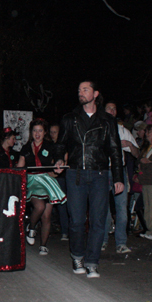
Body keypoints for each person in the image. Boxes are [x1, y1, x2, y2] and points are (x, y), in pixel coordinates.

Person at [54, 81, 124, 279]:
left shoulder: (107, 120)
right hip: (75, 173)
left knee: (98, 220)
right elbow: (60, 145)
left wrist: (118, 177)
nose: (81, 93)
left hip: (100, 174)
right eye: (79, 90)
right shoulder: (70, 118)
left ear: (95, 93)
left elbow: (115, 151)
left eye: (85, 90)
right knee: (76, 220)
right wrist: (59, 159)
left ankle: (92, 261)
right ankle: (77, 256)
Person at [18, 118, 65, 256]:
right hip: (32, 181)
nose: (37, 134)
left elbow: (56, 164)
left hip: (47, 180)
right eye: (34, 131)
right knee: (39, 206)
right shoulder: (26, 148)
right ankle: (31, 227)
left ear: (44, 132)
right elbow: (20, 167)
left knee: (46, 216)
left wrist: (56, 170)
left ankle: (43, 245)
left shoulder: (51, 147)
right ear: (31, 132)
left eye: (40, 131)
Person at [103, 101, 140, 254]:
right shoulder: (99, 129)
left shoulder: (122, 130)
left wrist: (129, 145)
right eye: (108, 108)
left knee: (121, 208)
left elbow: (137, 153)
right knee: (102, 208)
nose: (112, 111)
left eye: (114, 108)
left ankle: (121, 243)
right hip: (103, 171)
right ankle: (102, 240)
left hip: (119, 172)